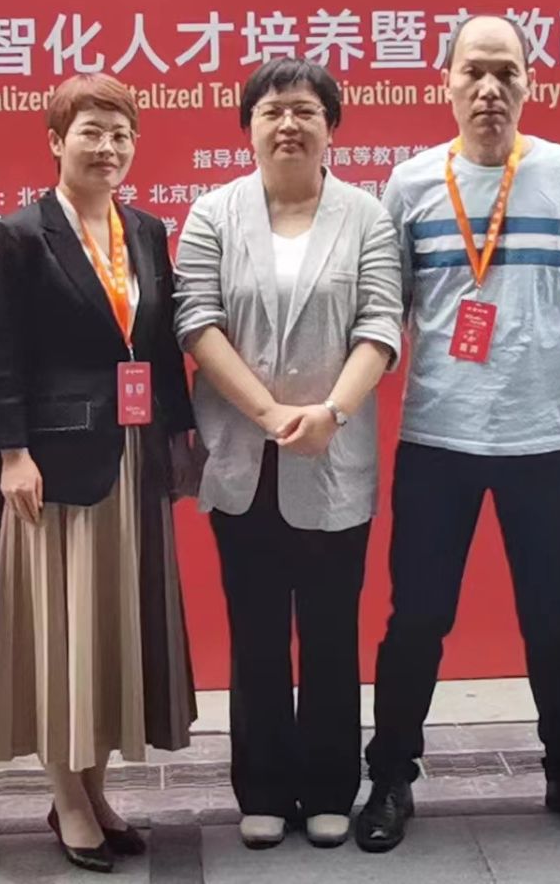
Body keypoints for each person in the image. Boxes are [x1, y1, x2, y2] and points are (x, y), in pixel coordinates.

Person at [357, 14, 560, 852]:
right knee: (417, 618)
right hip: (436, 437)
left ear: (529, 83)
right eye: (472, 71)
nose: (489, 89)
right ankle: (391, 778)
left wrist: (533, 362)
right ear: (444, 82)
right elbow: (394, 304)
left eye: (505, 72)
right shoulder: (409, 185)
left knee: (554, 620)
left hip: (539, 439)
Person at [174, 58, 404, 851]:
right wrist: (271, 414)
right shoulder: (213, 214)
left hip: (334, 453)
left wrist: (332, 412)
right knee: (258, 631)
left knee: (333, 630)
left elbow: (381, 325)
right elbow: (197, 322)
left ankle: (333, 786)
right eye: (272, 111)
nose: (289, 125)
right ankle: (264, 787)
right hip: (244, 458)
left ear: (331, 126)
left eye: (306, 110)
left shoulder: (366, 216)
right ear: (248, 126)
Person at [0, 72, 200, 874]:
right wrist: (11, 454)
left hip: (135, 458)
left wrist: (182, 434)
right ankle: (67, 798)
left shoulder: (145, 230)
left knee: (112, 633)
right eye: (90, 132)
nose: (107, 148)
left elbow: (160, 347)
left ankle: (96, 793)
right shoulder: (18, 236)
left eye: (120, 134)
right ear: (55, 141)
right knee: (65, 635)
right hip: (56, 466)